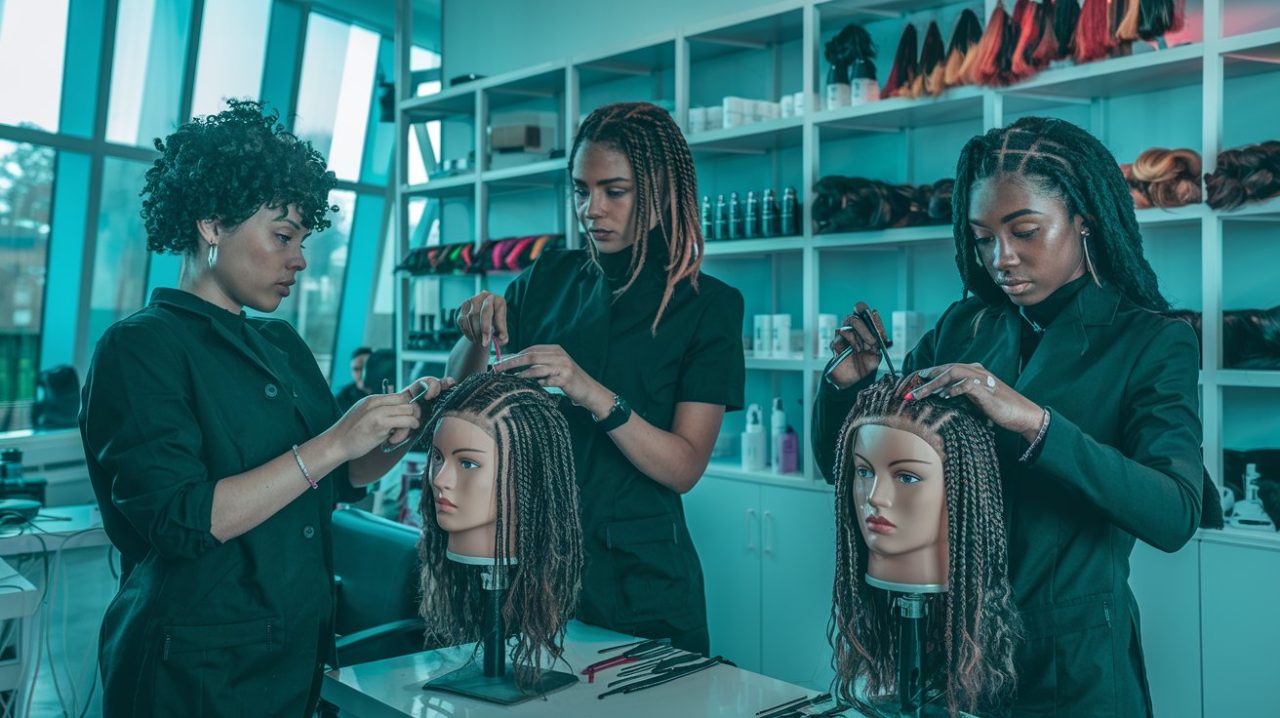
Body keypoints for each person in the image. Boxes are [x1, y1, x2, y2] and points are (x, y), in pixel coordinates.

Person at [814, 116, 1204, 716]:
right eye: (982, 238)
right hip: (953, 649)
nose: (1002, 259)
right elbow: (859, 472)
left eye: (1025, 231)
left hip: (1072, 664)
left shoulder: (1151, 341)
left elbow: (1175, 513)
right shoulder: (963, 325)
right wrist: (848, 388)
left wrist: (1034, 423)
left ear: (1085, 219)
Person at [79, 100, 450, 717]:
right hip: (191, 674)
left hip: (294, 657)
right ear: (212, 223)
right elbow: (181, 520)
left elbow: (338, 481)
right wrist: (335, 439)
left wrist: (396, 430)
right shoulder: (140, 347)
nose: (300, 259)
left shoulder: (281, 343)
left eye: (303, 240)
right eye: (282, 236)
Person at [445, 102, 745, 655]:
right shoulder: (545, 279)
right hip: (539, 568)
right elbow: (464, 402)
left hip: (645, 579)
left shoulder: (710, 308)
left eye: (615, 190)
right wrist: (470, 332)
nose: (592, 209)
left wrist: (589, 390)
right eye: (581, 191)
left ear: (659, 189)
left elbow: (683, 468)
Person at [335, 346, 374, 412]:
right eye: (357, 369)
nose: (363, 373)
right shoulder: (342, 399)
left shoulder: (389, 387)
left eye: (367, 367)